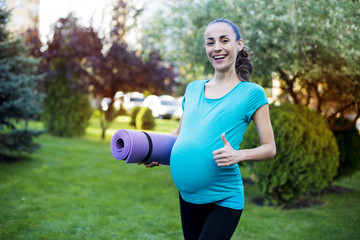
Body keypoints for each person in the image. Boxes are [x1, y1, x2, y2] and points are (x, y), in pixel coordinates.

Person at [140, 18, 276, 240]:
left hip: (224, 198)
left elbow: (270, 148)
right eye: (210, 42)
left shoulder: (252, 94)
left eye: (224, 40)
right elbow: (179, 135)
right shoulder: (193, 89)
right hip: (188, 196)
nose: (217, 48)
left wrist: (239, 154)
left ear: (239, 44)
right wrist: (154, 152)